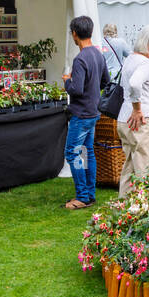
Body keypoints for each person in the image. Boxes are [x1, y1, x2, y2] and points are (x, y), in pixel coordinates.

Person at [62, 15, 109, 210]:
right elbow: (106, 81)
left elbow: (76, 89)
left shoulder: (80, 58)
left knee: (73, 153)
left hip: (81, 114)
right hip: (93, 112)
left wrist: (67, 80)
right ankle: (89, 194)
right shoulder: (98, 54)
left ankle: (82, 195)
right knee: (86, 152)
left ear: (74, 33)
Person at [117, 26, 149, 197]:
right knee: (146, 171)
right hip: (144, 122)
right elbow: (134, 84)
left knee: (130, 167)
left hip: (125, 120)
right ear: (148, 42)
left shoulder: (131, 59)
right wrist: (137, 109)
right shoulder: (145, 63)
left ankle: (123, 210)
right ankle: (144, 213)